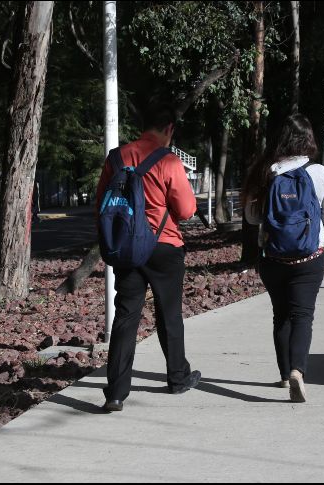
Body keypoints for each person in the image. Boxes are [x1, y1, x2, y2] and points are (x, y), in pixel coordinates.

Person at [95, 101, 201, 412]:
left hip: (128, 248)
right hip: (164, 246)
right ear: (169, 129)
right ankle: (177, 377)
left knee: (126, 317)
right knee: (169, 313)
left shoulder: (116, 158)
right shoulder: (168, 161)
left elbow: (103, 202)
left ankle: (115, 392)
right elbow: (185, 210)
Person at [243, 113, 324, 403]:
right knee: (302, 315)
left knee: (280, 316)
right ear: (308, 139)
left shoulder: (263, 171)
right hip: (309, 259)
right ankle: (298, 370)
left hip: (273, 259)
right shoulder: (319, 173)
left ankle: (285, 375)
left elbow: (251, 216)